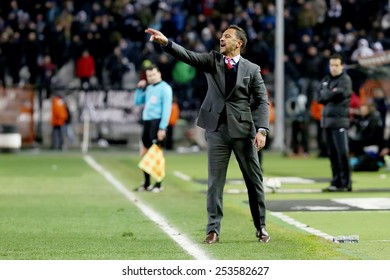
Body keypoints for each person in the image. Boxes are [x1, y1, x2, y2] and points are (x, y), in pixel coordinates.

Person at [145, 25, 271, 244]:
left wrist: (262, 130)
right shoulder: (212, 60)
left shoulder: (252, 69)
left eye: (227, 36)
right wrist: (167, 43)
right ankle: (213, 230)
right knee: (215, 182)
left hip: (243, 132)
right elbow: (189, 56)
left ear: (238, 43)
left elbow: (262, 101)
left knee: (254, 181)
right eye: (221, 35)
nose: (221, 39)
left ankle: (261, 226)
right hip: (217, 131)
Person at [134, 64, 173, 192]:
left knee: (157, 154)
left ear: (159, 74)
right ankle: (146, 183)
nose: (151, 77)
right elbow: (138, 101)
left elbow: (167, 109)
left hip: (157, 123)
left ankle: (158, 184)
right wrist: (139, 89)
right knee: (144, 153)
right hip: (147, 122)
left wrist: (162, 128)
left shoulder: (165, 88)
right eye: (149, 75)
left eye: (153, 75)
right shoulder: (149, 88)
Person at [317, 53, 352, 192]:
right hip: (327, 122)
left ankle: (346, 183)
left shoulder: (345, 80)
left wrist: (327, 94)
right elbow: (319, 97)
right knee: (332, 154)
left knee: (342, 153)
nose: (334, 68)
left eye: (336, 65)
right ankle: (336, 181)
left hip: (340, 121)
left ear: (342, 66)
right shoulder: (326, 79)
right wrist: (330, 93)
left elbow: (342, 94)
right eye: (332, 65)